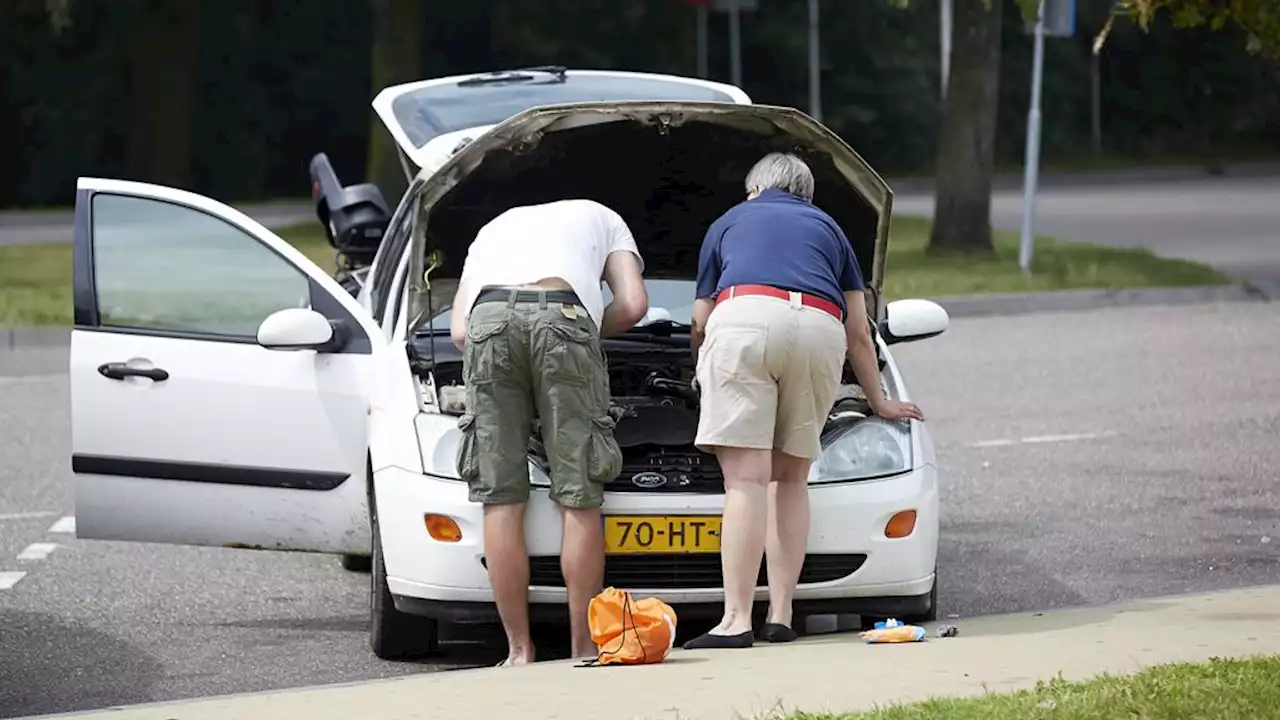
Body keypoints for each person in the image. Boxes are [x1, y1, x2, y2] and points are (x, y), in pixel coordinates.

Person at [682, 153, 925, 650]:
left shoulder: (730, 220)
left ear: (754, 189)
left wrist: (701, 369)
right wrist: (878, 401)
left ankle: (735, 620)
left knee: (746, 481)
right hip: (819, 327)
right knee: (790, 478)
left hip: (744, 318)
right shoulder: (830, 229)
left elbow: (701, 321)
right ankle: (782, 613)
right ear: (805, 195)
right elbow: (859, 331)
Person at [449, 198, 649, 666]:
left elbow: (460, 332)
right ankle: (583, 647)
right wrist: (579, 335)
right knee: (578, 494)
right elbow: (634, 304)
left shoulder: (493, 223)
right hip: (564, 314)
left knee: (500, 496)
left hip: (489, 320)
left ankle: (519, 651)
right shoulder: (608, 218)